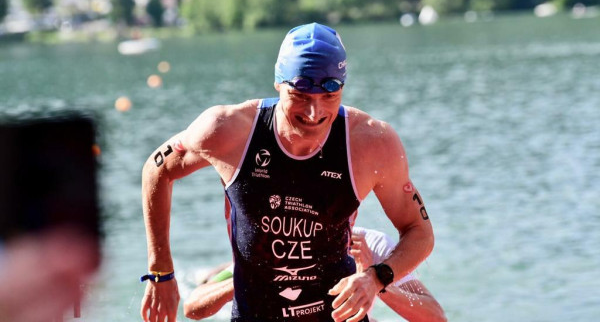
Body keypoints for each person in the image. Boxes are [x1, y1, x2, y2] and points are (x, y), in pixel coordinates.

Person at [140, 22, 435, 322]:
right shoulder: (228, 131)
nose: (314, 113)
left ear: (342, 87)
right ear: (278, 83)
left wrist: (376, 277)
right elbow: (157, 169)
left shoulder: (372, 143)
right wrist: (160, 271)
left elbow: (419, 232)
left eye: (329, 95)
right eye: (301, 95)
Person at [183, 227, 446, 322]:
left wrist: (376, 280)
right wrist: (252, 276)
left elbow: (434, 317)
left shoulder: (372, 245)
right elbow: (193, 307)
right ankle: (217, 269)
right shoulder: (283, 244)